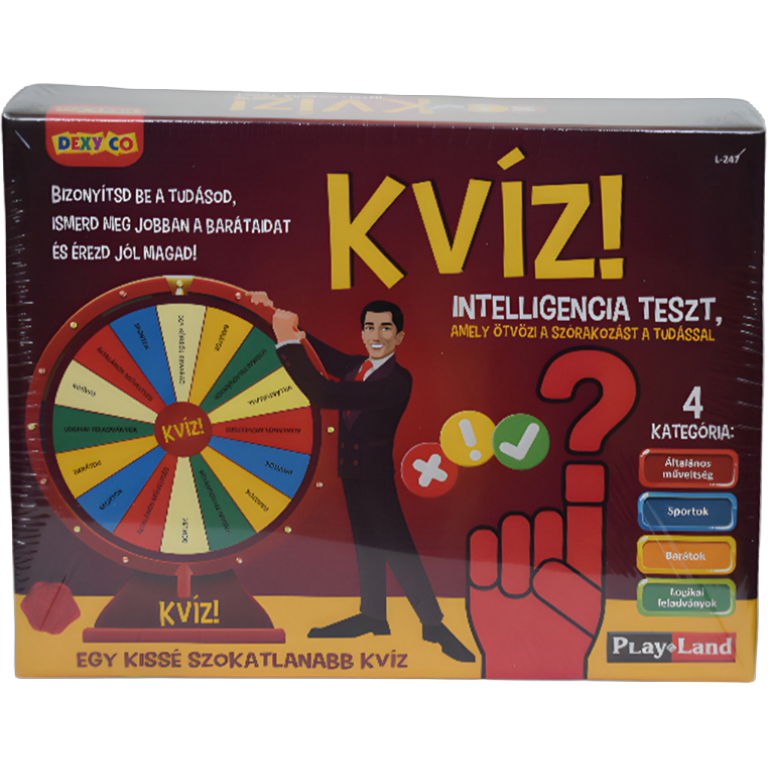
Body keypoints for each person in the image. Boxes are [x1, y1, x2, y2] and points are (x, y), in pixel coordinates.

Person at [251, 292, 474, 663]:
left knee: (396, 547)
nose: (376, 334)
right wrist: (273, 313)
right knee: (366, 544)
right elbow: (318, 353)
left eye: (385, 328)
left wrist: (287, 341)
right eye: (370, 327)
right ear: (362, 332)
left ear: (399, 337)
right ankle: (373, 616)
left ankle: (433, 624)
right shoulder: (356, 365)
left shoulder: (398, 380)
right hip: (352, 473)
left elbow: (324, 393)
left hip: (375, 477)